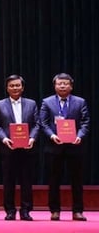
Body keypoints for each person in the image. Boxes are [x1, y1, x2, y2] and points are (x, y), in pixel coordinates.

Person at [39, 72, 90, 221]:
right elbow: (44, 123)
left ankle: (78, 211)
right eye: (59, 83)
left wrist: (80, 136)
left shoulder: (80, 102)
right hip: (54, 147)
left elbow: (86, 122)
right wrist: (52, 135)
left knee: (77, 180)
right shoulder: (47, 102)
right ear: (55, 86)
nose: (62, 86)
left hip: (75, 147)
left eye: (65, 83)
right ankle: (55, 210)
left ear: (71, 86)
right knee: (54, 180)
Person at [0, 74, 39, 221]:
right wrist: (4, 138)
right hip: (8, 148)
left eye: (18, 85)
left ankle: (25, 210)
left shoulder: (31, 104)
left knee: (26, 181)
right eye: (12, 85)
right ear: (7, 88)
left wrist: (32, 138)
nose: (15, 88)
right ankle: (10, 210)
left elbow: (37, 124)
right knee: (8, 181)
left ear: (23, 87)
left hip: (27, 148)